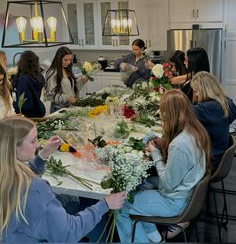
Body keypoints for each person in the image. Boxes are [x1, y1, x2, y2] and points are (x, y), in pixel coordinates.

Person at [0, 115, 125, 242]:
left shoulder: (6, 174)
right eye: (32, 141)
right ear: (13, 147)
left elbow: (22, 174)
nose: (38, 145)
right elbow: (68, 233)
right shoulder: (33, 189)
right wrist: (105, 205)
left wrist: (43, 155)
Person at [116, 89, 211, 242]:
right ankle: (155, 238)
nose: (159, 113)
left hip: (175, 201)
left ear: (170, 113)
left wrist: (155, 152)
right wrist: (163, 144)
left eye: (162, 110)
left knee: (121, 205)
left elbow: (167, 183)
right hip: (187, 193)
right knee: (142, 184)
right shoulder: (195, 130)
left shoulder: (180, 144)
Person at [191, 71, 236, 169]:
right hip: (219, 155)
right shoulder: (227, 103)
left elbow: (182, 114)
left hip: (208, 160)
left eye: (196, 91)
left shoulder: (203, 109)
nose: (196, 95)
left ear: (204, 90)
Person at [45, 46, 87, 113]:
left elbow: (72, 90)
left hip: (70, 108)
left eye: (70, 60)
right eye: (65, 60)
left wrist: (82, 81)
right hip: (58, 110)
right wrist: (67, 98)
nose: (68, 62)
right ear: (59, 59)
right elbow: (50, 96)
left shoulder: (67, 69)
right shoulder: (52, 73)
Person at [12, 51, 46, 118]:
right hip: (39, 110)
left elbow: (25, 105)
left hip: (28, 115)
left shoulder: (23, 80)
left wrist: (11, 104)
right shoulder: (39, 76)